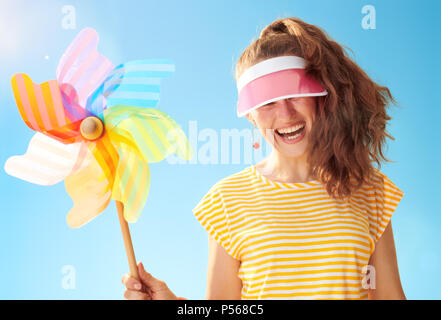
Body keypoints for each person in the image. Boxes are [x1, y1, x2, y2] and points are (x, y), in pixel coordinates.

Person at [122, 17, 406, 300]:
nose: (285, 114)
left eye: (295, 94)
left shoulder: (370, 189)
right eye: (268, 102)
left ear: (322, 95)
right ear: (250, 113)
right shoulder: (227, 200)